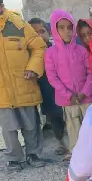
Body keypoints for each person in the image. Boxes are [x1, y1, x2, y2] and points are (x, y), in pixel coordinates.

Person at [0, 0, 46, 172]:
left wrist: (33, 68)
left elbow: (39, 47)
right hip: (2, 90)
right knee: (8, 128)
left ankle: (33, 153)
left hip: (24, 83)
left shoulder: (18, 23)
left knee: (31, 123)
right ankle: (14, 157)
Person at [45, 9, 92, 156]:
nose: (66, 31)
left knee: (91, 127)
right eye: (61, 28)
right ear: (54, 29)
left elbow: (91, 73)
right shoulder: (50, 53)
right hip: (68, 101)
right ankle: (77, 157)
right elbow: (52, 77)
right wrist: (69, 96)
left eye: (69, 27)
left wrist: (84, 92)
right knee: (73, 128)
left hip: (87, 98)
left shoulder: (82, 50)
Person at [29, 17, 69, 157]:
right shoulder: (30, 55)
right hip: (46, 93)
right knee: (54, 118)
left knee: (69, 117)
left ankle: (74, 142)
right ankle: (61, 143)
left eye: (42, 31)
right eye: (34, 34)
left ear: (49, 32)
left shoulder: (57, 49)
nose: (39, 36)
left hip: (63, 90)